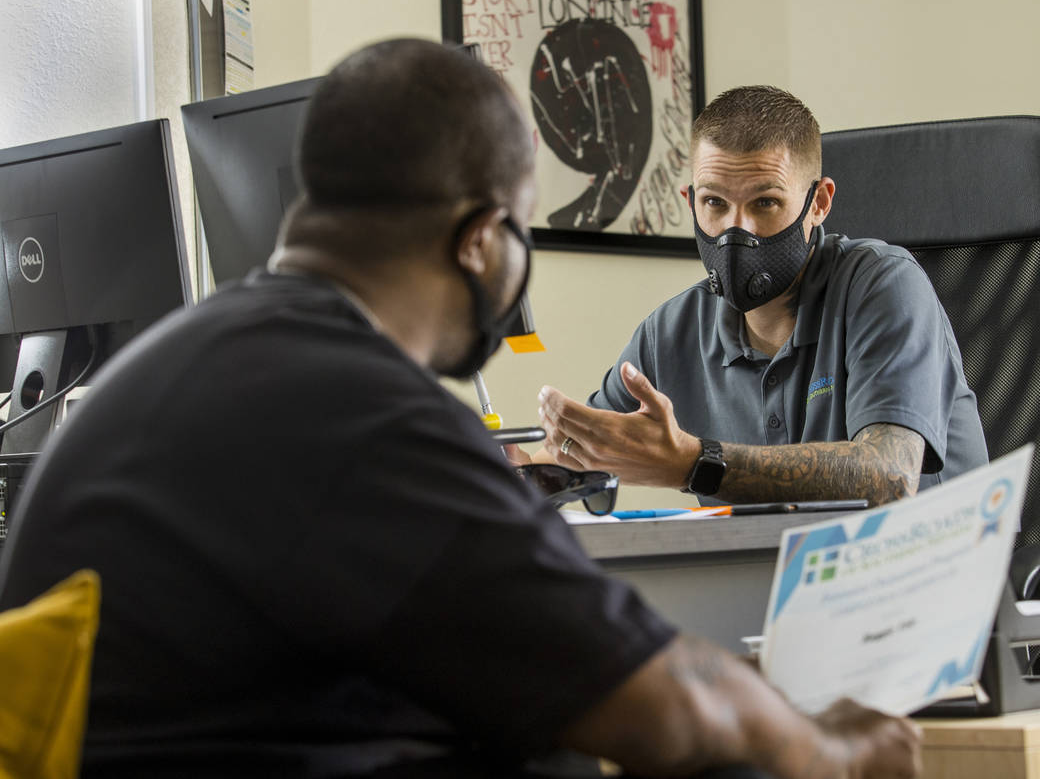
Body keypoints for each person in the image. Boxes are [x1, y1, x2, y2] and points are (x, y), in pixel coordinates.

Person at [0, 41, 920, 779]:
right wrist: (833, 752)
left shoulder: (172, 368)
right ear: (483, 240)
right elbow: (669, 710)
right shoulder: (364, 416)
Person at [532, 86, 988, 506]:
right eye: (714, 203)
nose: (736, 230)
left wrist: (695, 463)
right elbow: (572, 457)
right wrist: (505, 470)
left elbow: (888, 476)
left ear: (819, 203)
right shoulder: (669, 333)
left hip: (928, 578)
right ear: (690, 200)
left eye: (764, 203)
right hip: (770, 583)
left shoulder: (884, 284)